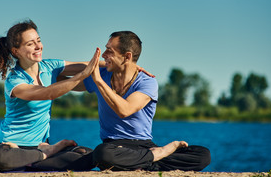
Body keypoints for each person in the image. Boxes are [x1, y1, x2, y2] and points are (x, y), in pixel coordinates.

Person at [81, 31, 211, 171]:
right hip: (115, 147)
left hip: (144, 146)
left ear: (127, 56)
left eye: (109, 51)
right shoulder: (102, 73)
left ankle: (142, 160)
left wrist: (98, 81)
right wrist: (100, 65)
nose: (104, 54)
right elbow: (63, 70)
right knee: (103, 153)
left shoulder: (147, 82)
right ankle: (152, 159)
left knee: (203, 155)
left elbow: (124, 110)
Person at [0, 20, 100, 172]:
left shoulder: (50, 67)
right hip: (11, 148)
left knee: (87, 155)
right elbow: (47, 93)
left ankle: (39, 157)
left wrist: (125, 64)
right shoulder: (15, 80)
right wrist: (82, 76)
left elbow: (89, 64)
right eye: (30, 44)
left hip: (39, 145)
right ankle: (45, 154)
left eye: (38, 41)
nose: (39, 46)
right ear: (16, 51)